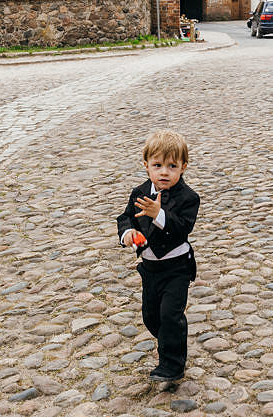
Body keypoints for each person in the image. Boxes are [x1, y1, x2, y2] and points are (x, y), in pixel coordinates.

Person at [117, 130, 200, 383]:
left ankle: (172, 365)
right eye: (158, 165)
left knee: (169, 315)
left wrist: (158, 214)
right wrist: (129, 233)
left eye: (172, 166)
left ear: (183, 167)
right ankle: (170, 338)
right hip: (150, 268)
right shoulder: (140, 192)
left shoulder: (188, 198)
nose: (164, 172)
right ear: (146, 166)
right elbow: (126, 217)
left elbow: (183, 227)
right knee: (151, 317)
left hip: (177, 268)